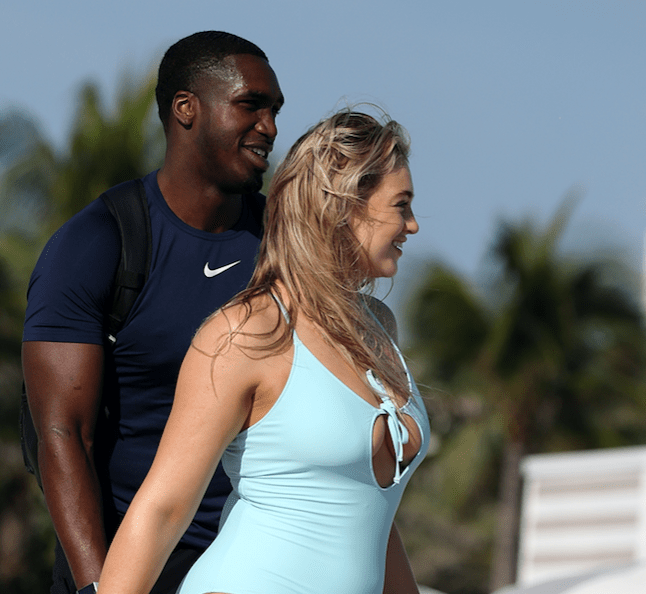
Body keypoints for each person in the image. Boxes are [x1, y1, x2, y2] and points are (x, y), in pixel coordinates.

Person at [99, 109, 429, 594]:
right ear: (343, 206)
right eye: (401, 205)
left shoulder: (378, 329)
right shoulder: (247, 332)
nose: (413, 225)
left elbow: (372, 516)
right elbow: (161, 510)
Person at [22, 31, 284, 594]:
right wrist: (101, 586)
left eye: (274, 110)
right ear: (186, 109)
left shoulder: (285, 246)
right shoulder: (97, 243)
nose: (270, 127)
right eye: (251, 105)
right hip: (132, 564)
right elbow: (63, 433)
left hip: (254, 566)